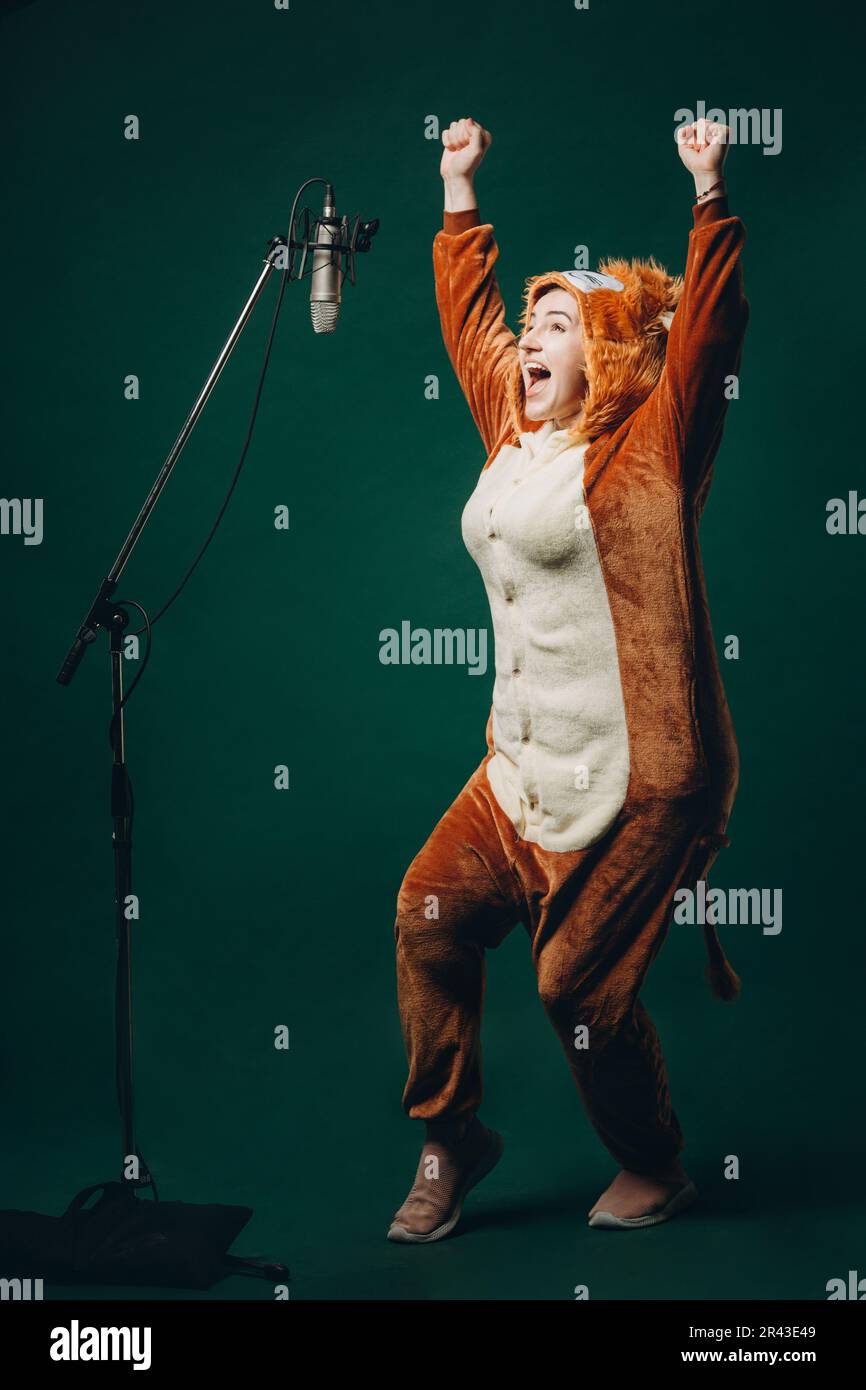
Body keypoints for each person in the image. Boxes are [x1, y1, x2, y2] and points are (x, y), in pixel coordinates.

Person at [388, 115, 749, 1242]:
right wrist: (457, 192)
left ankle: (655, 1163)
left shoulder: (650, 442)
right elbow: (471, 325)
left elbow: (706, 339)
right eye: (532, 323)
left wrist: (706, 197)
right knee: (427, 917)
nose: (529, 340)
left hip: (644, 777)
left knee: (573, 994)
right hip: (522, 765)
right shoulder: (513, 420)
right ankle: (452, 1139)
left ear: (605, 350)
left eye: (558, 324)